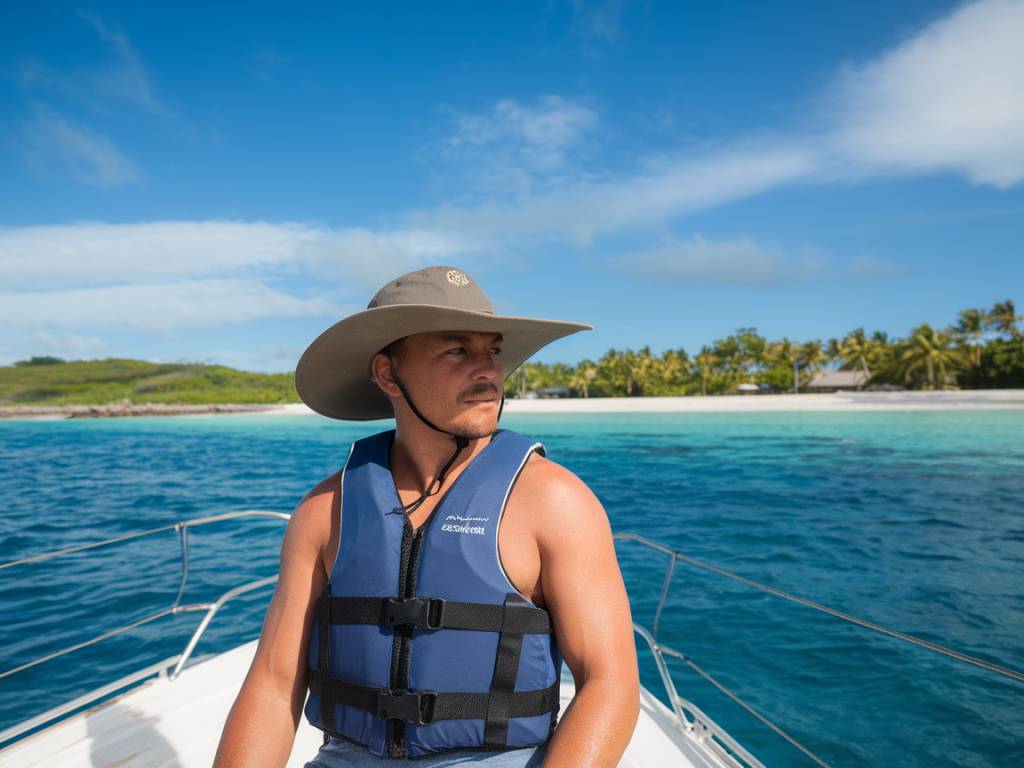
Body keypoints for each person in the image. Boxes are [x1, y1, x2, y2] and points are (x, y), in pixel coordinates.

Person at [213, 266, 639, 767]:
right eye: (457, 350)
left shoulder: (555, 502)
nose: (487, 371)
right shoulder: (324, 512)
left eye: (493, 351)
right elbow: (273, 684)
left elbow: (610, 685)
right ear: (388, 373)